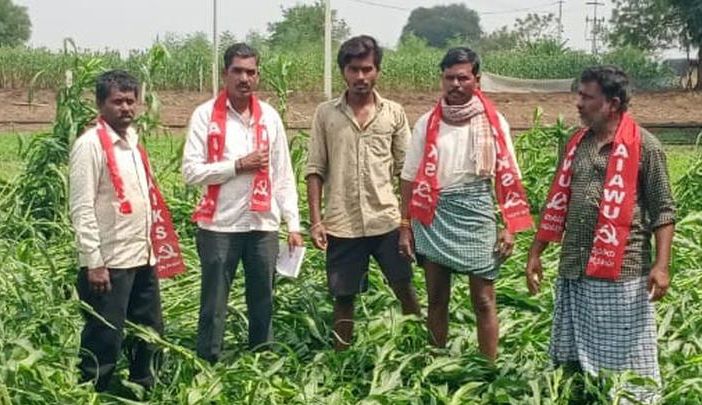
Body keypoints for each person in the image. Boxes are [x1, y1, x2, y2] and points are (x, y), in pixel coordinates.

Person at [525, 66, 676, 404]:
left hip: (622, 269)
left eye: (587, 97)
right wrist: (536, 252)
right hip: (575, 264)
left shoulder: (646, 148)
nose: (578, 103)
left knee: (624, 346)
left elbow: (663, 210)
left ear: (613, 103)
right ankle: (581, 399)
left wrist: (662, 266)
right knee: (575, 341)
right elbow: (557, 200)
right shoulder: (577, 143)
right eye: (579, 95)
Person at [399, 47, 533, 360]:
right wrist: (405, 225)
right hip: (433, 214)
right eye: (449, 78)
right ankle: (436, 363)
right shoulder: (427, 123)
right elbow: (408, 177)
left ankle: (489, 368)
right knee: (437, 299)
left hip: (476, 211)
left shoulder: (493, 121)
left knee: (484, 300)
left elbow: (508, 175)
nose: (455, 84)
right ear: (441, 80)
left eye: (463, 77)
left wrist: (509, 226)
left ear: (477, 79)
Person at [183, 43, 303, 363]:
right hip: (219, 226)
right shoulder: (205, 116)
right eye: (237, 71)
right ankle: (207, 364)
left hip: (262, 225)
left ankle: (260, 363)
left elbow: (283, 174)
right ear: (225, 74)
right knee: (214, 304)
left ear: (258, 76)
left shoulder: (270, 118)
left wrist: (293, 223)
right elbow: (191, 172)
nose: (244, 78)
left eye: (250, 72)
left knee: (263, 300)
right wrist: (237, 165)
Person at [306, 35, 420, 349]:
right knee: (343, 298)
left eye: (367, 69)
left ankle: (420, 350)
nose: (361, 77)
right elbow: (314, 169)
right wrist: (316, 221)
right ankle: (341, 360)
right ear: (344, 71)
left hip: (386, 221)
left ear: (377, 71)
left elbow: (406, 172)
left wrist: (407, 224)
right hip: (342, 224)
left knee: (404, 288)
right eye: (354, 69)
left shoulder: (393, 113)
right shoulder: (326, 114)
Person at [69, 69, 164, 392]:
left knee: (148, 330)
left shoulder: (133, 142)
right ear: (100, 104)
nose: (125, 108)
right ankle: (92, 394)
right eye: (117, 102)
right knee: (105, 334)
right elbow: (82, 207)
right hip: (109, 261)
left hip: (141, 254)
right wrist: (93, 261)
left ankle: (144, 389)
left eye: (130, 101)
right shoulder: (89, 145)